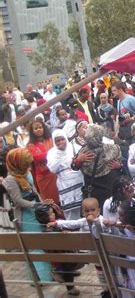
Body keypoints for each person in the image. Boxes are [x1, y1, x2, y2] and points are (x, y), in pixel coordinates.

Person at [3, 148, 53, 281]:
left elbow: (34, 190)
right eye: (25, 163)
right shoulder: (10, 179)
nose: (27, 166)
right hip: (26, 216)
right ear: (17, 163)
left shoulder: (26, 172)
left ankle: (40, 276)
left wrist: (42, 204)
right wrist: (35, 205)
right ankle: (44, 278)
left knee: (39, 244)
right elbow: (18, 200)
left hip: (36, 211)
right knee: (34, 246)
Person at [72, 124, 122, 210]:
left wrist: (78, 160)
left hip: (98, 192)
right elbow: (122, 168)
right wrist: (120, 166)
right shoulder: (113, 149)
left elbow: (74, 167)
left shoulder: (82, 152)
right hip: (105, 190)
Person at [47, 130, 84, 220]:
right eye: (58, 141)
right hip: (64, 184)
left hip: (78, 181)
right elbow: (52, 169)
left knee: (82, 208)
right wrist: (60, 154)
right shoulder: (52, 153)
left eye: (62, 139)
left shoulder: (74, 147)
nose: (61, 142)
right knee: (70, 212)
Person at [26, 119, 59, 204]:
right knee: (49, 202)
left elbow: (57, 152)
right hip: (42, 176)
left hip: (55, 173)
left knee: (59, 198)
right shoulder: (30, 145)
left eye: (40, 127)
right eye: (36, 128)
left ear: (44, 128)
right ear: (32, 131)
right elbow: (36, 157)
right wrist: (51, 152)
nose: (38, 129)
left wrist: (50, 153)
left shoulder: (50, 140)